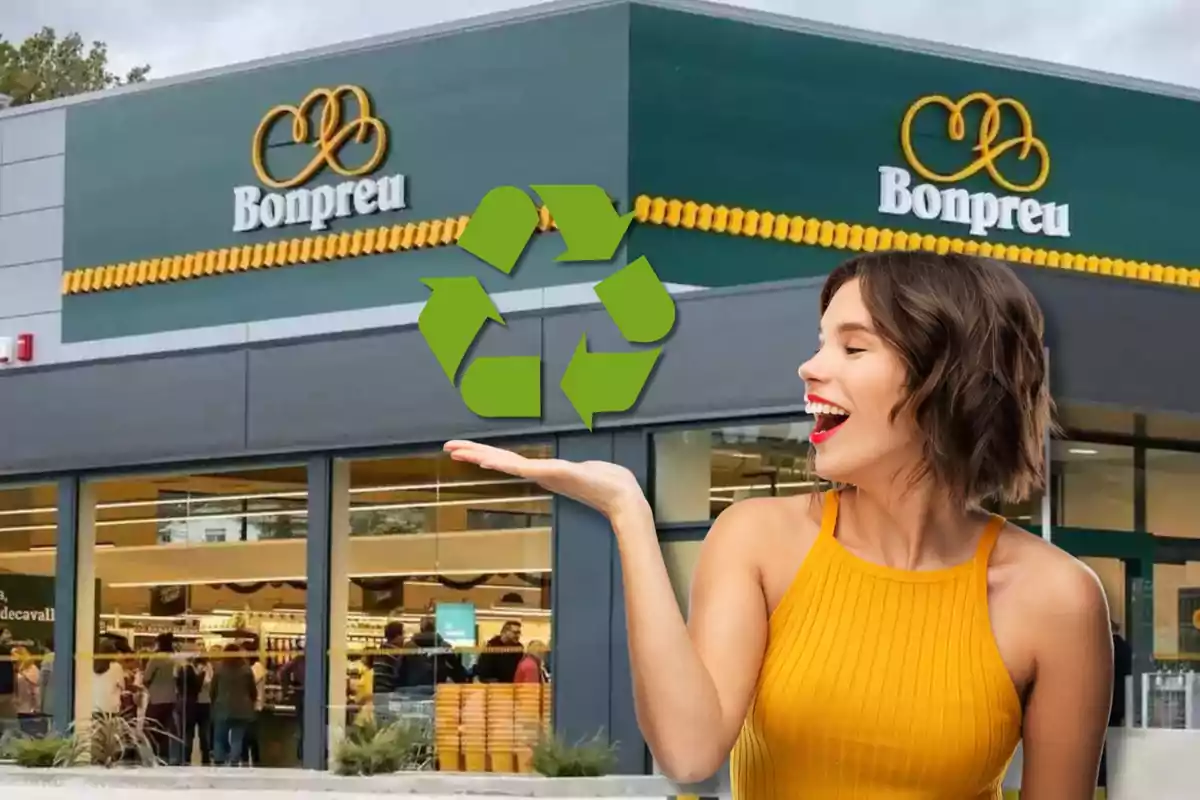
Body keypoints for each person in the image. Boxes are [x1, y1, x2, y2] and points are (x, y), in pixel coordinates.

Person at [444, 251, 1114, 799]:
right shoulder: (760, 539)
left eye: (854, 347)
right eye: (822, 341)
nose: (810, 367)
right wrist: (629, 513)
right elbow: (688, 748)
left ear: (949, 380)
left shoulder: (1056, 597)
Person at [210, 644, 257, 766]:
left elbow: (213, 689)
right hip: (242, 709)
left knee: (220, 736)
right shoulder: (246, 670)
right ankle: (234, 760)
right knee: (237, 738)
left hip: (223, 707)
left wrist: (214, 701)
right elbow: (252, 690)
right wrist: (251, 701)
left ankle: (219, 760)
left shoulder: (219, 669)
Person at [141, 633, 179, 763]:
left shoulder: (156, 658)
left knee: (151, 729)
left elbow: (146, 678)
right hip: (172, 698)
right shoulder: (175, 658)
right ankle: (165, 756)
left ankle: (152, 756)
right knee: (165, 730)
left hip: (156, 698)